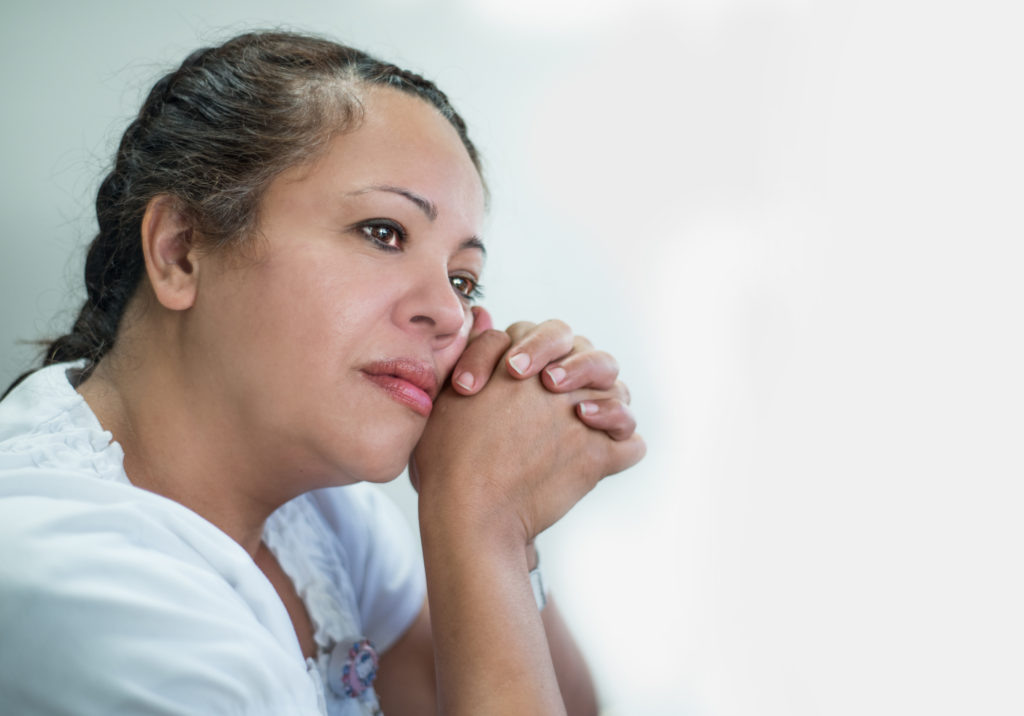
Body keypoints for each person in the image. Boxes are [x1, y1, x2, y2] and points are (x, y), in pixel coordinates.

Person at [0, 31, 645, 715]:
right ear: (181, 251)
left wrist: (508, 521)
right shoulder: (75, 583)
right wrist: (481, 522)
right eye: (383, 232)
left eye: (463, 280)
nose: (449, 315)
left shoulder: (320, 514)